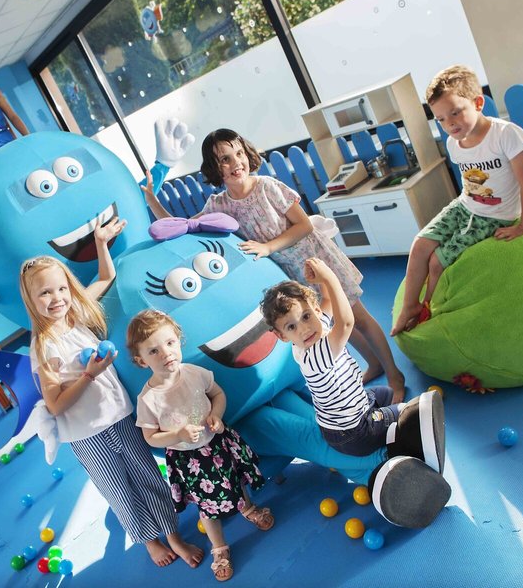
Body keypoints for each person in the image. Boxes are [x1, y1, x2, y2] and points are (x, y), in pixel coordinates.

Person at [142, 128, 405, 402]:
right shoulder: (218, 205)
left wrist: (268, 247)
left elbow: (303, 225)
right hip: (291, 276)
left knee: (357, 317)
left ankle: (395, 375)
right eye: (225, 159)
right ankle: (374, 364)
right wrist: (152, 200)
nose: (236, 163)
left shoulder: (267, 187)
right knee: (328, 320)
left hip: (315, 259)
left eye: (239, 154)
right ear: (214, 167)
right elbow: (183, 226)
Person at [18, 218, 203, 569]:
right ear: (31, 299)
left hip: (119, 416)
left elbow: (105, 277)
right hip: (88, 435)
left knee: (150, 476)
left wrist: (101, 243)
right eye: (45, 293)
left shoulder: (76, 314)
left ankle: (173, 535)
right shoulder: (44, 346)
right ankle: (150, 541)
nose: (56, 298)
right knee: (120, 490)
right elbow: (55, 405)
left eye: (61, 289)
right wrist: (89, 374)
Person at [391, 64, 523, 335]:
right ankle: (409, 306)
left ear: (478, 103)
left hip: (494, 215)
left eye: (455, 112)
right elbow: (469, 184)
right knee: (420, 245)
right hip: (465, 205)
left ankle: (427, 308)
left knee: (436, 262)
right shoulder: (452, 143)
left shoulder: (505, 134)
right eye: (440, 119)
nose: (449, 123)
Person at [127, 309, 273, 582]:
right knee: (206, 506)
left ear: (178, 340)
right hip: (190, 461)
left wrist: (216, 414)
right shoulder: (148, 399)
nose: (166, 353)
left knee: (235, 479)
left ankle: (247, 507)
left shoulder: (194, 372)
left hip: (218, 443)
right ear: (141, 360)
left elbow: (217, 394)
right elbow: (150, 437)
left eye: (170, 343)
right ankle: (219, 547)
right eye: (154, 351)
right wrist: (178, 434)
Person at [260, 259, 405, 457]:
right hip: (354, 432)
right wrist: (330, 277)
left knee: (385, 393)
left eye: (305, 316)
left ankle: (385, 424)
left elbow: (327, 300)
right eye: (291, 327)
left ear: (315, 309)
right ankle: (392, 444)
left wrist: (321, 281)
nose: (304, 329)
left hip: (341, 421)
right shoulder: (314, 355)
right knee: (407, 412)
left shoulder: (314, 329)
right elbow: (346, 323)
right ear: (282, 336)